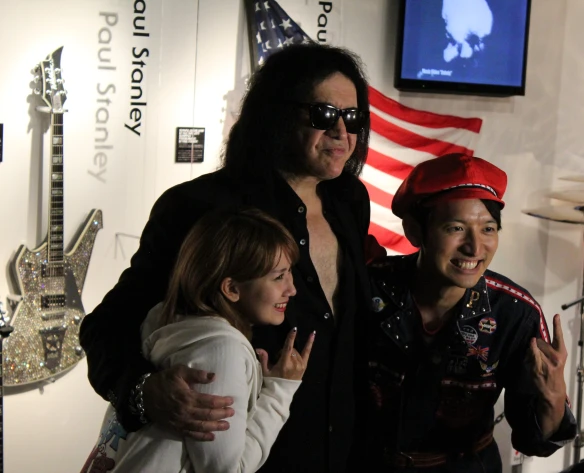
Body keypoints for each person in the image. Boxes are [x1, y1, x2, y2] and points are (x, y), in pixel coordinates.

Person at [79, 43, 372, 473]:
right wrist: (142, 392)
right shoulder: (199, 205)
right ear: (278, 114)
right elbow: (109, 327)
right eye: (325, 114)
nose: (342, 132)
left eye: (353, 117)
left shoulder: (350, 200)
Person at [365, 153, 577, 472]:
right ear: (415, 231)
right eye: (456, 228)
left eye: (488, 229)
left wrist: (555, 397)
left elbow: (535, 441)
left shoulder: (516, 313)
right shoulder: (368, 287)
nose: (475, 248)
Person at [81, 208, 314, 473]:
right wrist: (280, 391)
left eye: (289, 273)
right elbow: (227, 470)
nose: (292, 289)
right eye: (279, 277)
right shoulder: (221, 351)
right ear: (232, 289)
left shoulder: (163, 318)